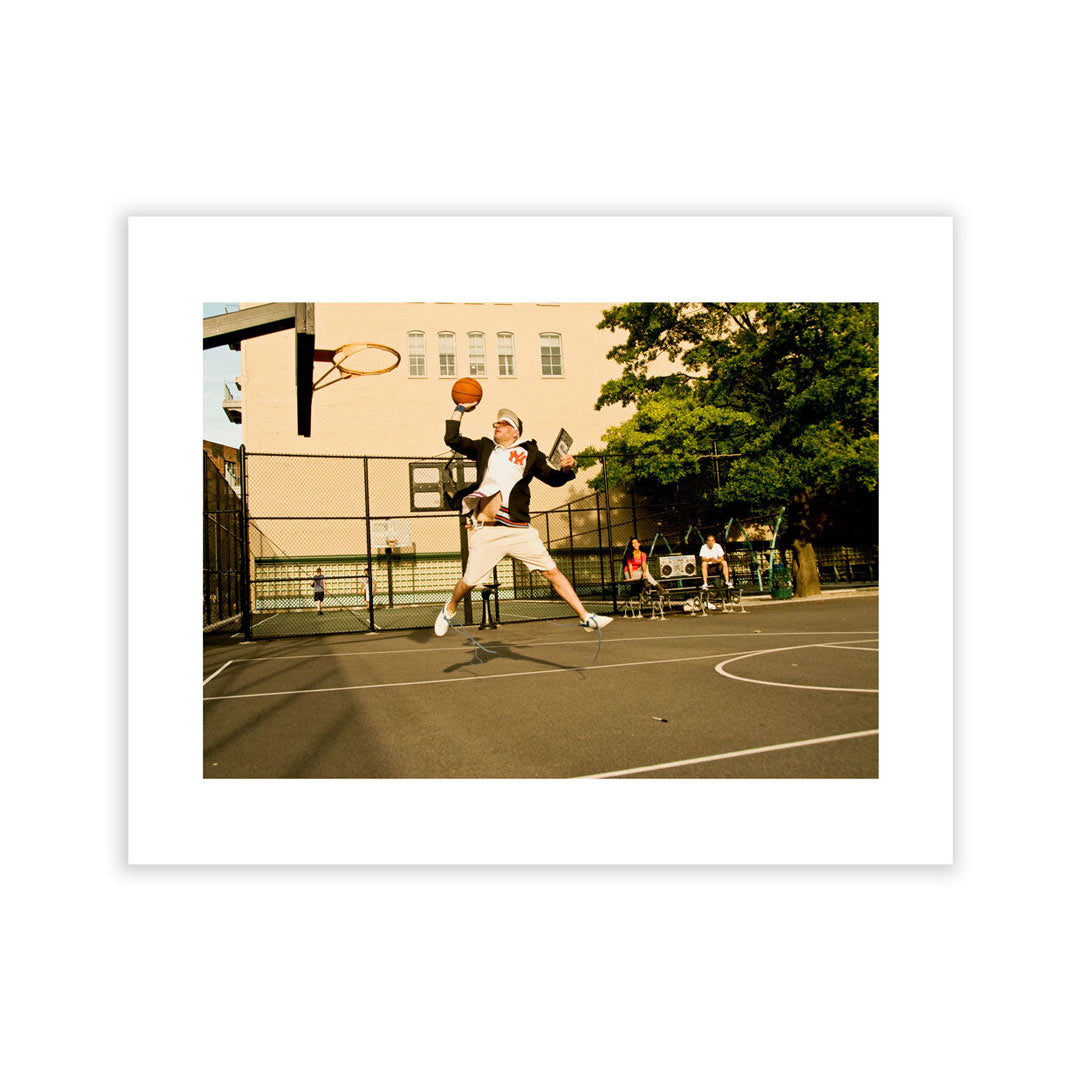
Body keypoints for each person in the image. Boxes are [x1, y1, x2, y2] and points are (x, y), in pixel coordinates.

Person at [435, 403, 614, 637]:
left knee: (552, 572)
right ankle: (449, 608)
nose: (498, 426)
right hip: (488, 531)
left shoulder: (530, 453)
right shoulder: (485, 448)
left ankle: (586, 617)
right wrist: (459, 408)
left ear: (515, 431)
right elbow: (452, 438)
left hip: (519, 530)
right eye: (496, 423)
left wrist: (567, 469)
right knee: (468, 582)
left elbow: (554, 479)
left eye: (504, 424)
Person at [622, 537, 658, 615]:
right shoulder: (629, 554)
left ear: (639, 544)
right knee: (643, 573)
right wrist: (631, 578)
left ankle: (646, 580)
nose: (635, 545)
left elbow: (644, 564)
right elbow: (630, 566)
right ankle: (657, 586)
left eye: (636, 543)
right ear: (631, 545)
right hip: (629, 573)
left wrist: (644, 573)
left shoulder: (643, 554)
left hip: (640, 573)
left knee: (646, 566)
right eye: (633, 543)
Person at [698, 534, 731, 605]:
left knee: (724, 562)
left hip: (716, 565)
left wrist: (716, 560)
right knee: (703, 563)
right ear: (707, 542)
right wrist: (710, 559)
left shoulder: (718, 546)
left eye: (712, 541)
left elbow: (722, 558)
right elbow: (702, 558)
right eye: (709, 541)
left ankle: (727, 581)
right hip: (708, 566)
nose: (710, 542)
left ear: (714, 541)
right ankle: (705, 583)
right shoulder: (704, 547)